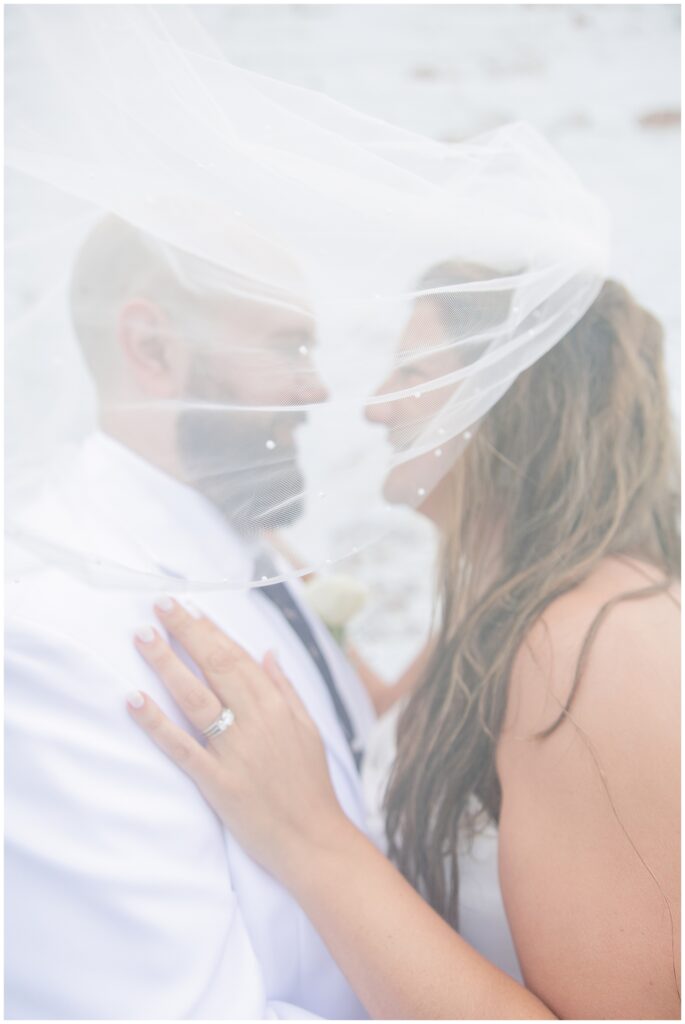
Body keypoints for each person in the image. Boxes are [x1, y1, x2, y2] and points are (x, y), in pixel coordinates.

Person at [129, 275, 681, 1019]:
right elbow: (418, 737)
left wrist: (308, 834)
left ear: (507, 403)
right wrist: (271, 586)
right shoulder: (518, 612)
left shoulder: (581, 647)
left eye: (412, 372)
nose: (374, 406)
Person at [5, 216, 376, 1019]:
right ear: (153, 347)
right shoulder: (49, 639)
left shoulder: (238, 541)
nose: (317, 389)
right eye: (289, 347)